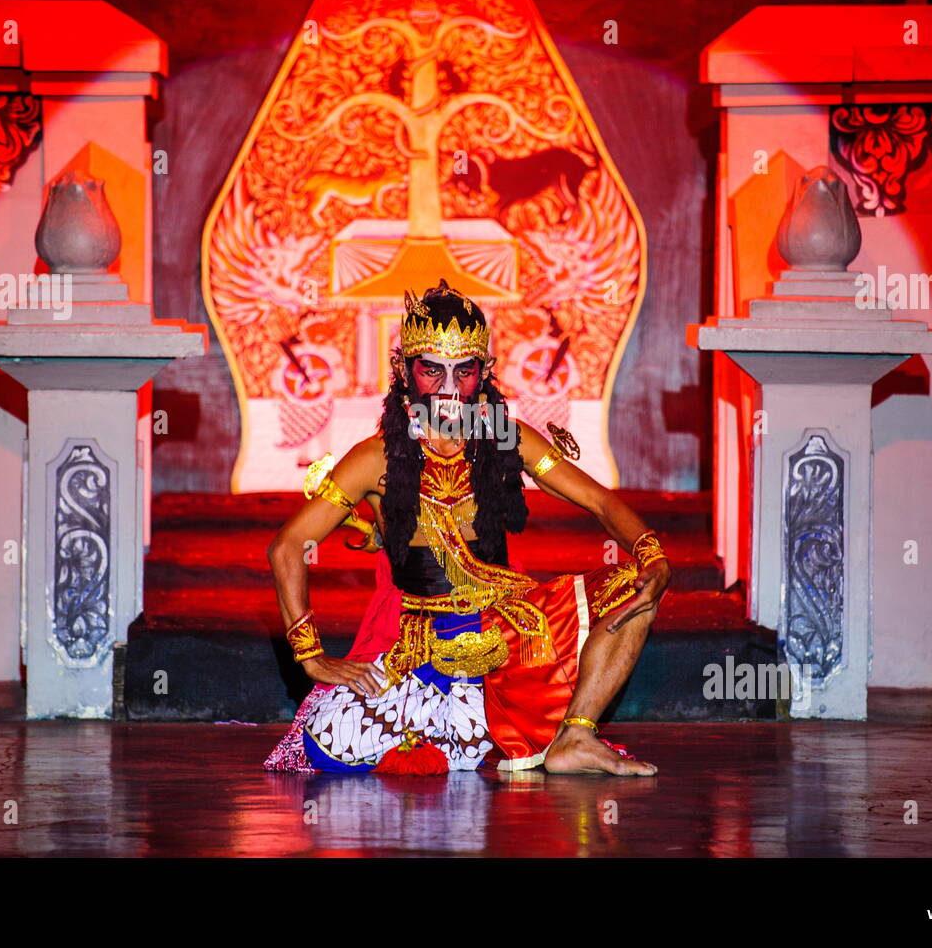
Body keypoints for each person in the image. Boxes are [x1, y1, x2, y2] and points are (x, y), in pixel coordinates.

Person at [264, 279, 670, 775]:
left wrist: (652, 556)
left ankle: (575, 737)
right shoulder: (375, 459)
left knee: (636, 588)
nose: (450, 387)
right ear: (405, 372)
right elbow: (288, 547)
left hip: (510, 632)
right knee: (333, 744)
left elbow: (600, 502)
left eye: (465, 371)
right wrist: (311, 658)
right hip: (419, 648)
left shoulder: (508, 439)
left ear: (485, 373)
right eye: (433, 370)